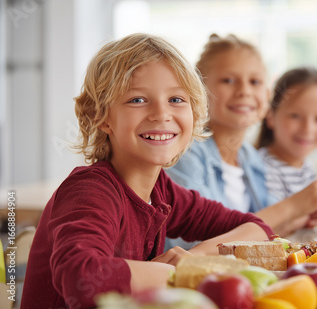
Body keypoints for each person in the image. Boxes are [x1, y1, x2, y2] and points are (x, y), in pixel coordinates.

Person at [21, 33, 273, 309]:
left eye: (176, 99)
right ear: (100, 116)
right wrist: (176, 273)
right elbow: (83, 277)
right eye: (138, 100)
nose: (161, 114)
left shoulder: (162, 191)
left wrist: (194, 259)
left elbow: (256, 228)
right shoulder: (90, 191)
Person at [166, 34, 317, 248]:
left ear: (267, 95)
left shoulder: (250, 158)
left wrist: (303, 215)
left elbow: (259, 230)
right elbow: (192, 244)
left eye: (254, 82)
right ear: (198, 89)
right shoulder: (184, 154)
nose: (244, 91)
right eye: (228, 80)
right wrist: (294, 206)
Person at [255, 67, 317, 203]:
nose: (308, 129)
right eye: (295, 116)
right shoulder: (261, 169)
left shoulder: (307, 168)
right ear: (270, 116)